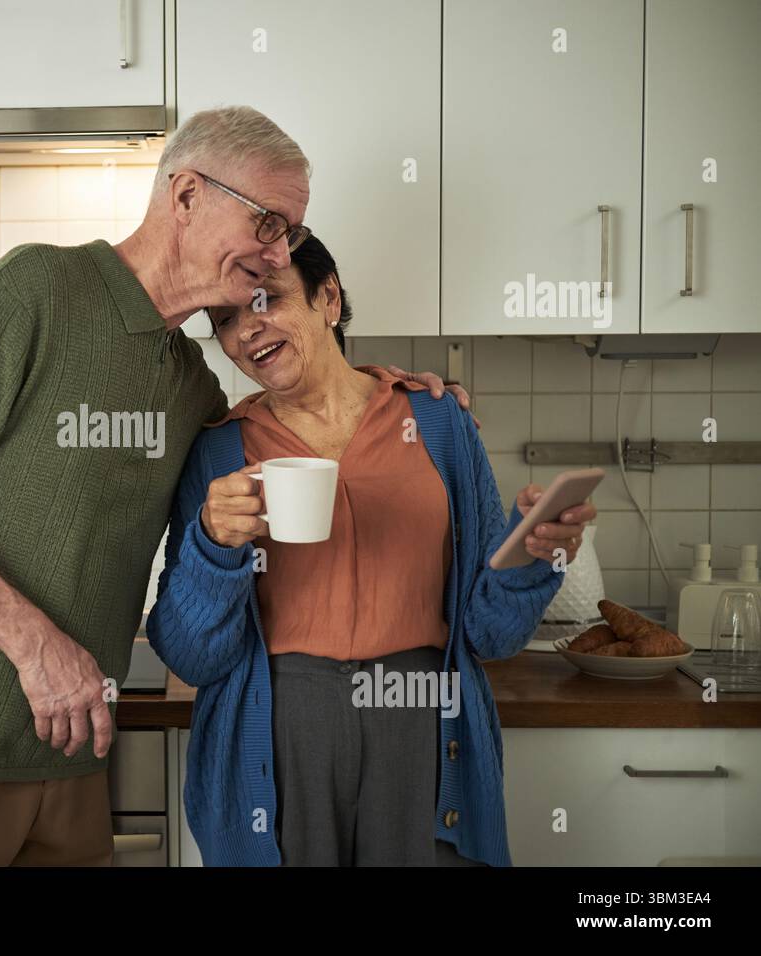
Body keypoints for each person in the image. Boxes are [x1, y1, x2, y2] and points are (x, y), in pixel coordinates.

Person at [0, 106, 471, 866]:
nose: (276, 252)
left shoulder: (191, 387)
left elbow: (303, 394)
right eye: (268, 222)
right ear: (188, 193)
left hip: (70, 746)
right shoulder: (34, 290)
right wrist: (38, 651)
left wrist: (391, 393)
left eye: (290, 236)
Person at [146, 234, 597, 866]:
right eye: (225, 319)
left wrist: (534, 553)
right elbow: (190, 655)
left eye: (266, 300)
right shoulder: (220, 451)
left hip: (418, 722)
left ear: (327, 296)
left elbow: (489, 633)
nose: (247, 330)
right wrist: (215, 545)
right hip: (279, 731)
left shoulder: (439, 422)